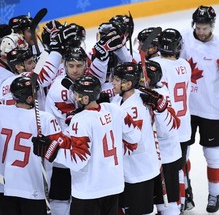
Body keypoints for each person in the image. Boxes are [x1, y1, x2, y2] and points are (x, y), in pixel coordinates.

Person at [32, 75, 141, 215]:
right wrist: (52, 141)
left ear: (85, 98)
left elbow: (79, 161)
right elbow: (135, 136)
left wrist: (52, 152)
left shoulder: (80, 120)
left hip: (89, 190)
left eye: (76, 94)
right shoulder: (113, 109)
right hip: (114, 186)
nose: (73, 96)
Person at [0, 76, 67, 215]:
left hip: (4, 186)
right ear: (30, 98)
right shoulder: (45, 119)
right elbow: (62, 149)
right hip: (33, 187)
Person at [180, 5, 219, 213]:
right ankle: (185, 191)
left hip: (212, 111)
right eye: (198, 27)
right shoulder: (183, 38)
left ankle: (214, 194)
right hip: (186, 110)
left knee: (213, 155)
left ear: (212, 26)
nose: (201, 32)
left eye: (205, 28)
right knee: (181, 155)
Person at [112, 62, 181, 214]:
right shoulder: (119, 100)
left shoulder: (140, 103)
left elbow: (170, 128)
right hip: (134, 168)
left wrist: (161, 109)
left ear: (128, 83)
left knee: (149, 209)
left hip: (139, 169)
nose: (112, 82)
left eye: (116, 80)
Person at [153, 28, 192, 212]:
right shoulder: (185, 64)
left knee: (165, 174)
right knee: (179, 169)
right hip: (184, 127)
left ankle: (171, 207)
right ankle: (182, 203)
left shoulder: (155, 64)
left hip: (165, 126)